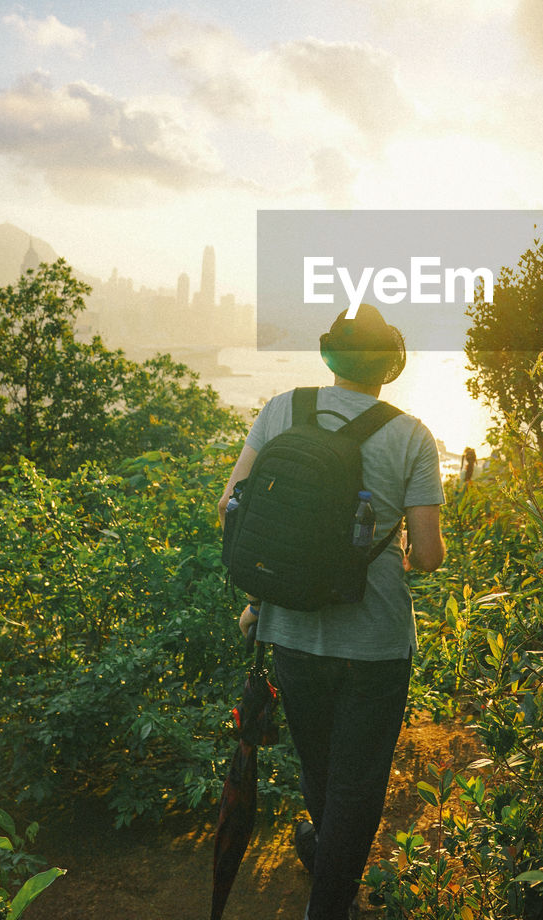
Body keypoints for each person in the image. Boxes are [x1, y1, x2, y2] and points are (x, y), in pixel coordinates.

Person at [218, 303, 445, 920]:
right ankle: (330, 902)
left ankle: (325, 855)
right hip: (374, 643)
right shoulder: (412, 435)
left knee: (321, 770)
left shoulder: (281, 410)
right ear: (388, 368)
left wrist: (260, 597)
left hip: (291, 631)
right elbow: (427, 554)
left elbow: (233, 511)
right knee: (358, 782)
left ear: (330, 358)